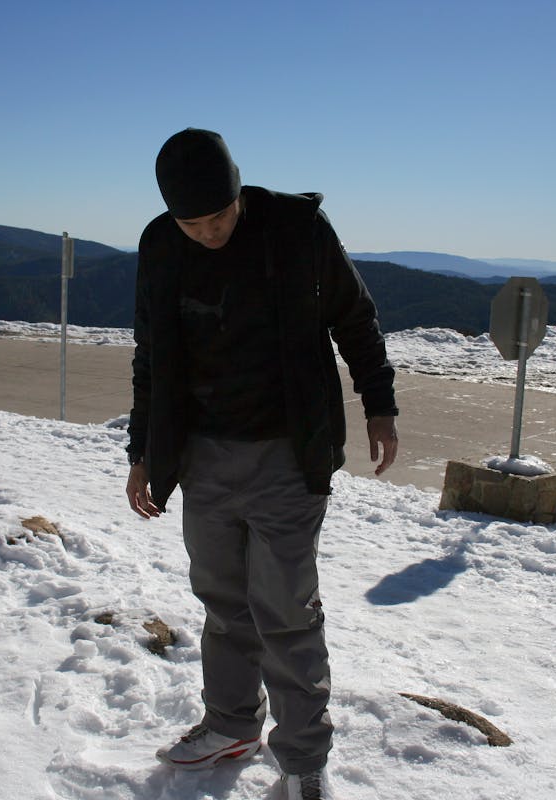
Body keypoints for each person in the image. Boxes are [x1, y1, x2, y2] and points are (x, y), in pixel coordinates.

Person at [125, 128, 399, 800]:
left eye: (219, 215)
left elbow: (354, 318)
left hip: (287, 454)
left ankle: (304, 763)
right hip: (204, 457)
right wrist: (141, 453)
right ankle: (230, 724)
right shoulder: (161, 245)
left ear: (239, 190)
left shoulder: (297, 229)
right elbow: (150, 355)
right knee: (223, 602)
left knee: (285, 610)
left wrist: (379, 406)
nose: (209, 232)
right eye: (194, 222)